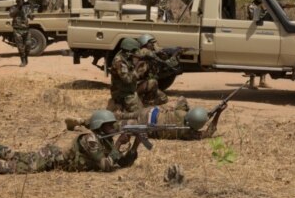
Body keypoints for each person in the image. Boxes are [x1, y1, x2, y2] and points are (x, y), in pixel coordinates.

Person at [0, 110, 141, 178]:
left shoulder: (104, 141)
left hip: (52, 156)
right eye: (109, 126)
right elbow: (106, 167)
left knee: (15, 155)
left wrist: (134, 146)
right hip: (50, 160)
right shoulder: (89, 139)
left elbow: (119, 163)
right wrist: (119, 145)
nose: (113, 128)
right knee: (11, 167)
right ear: (99, 126)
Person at [65, 96, 225, 141]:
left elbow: (182, 100)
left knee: (115, 117)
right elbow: (209, 132)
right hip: (145, 125)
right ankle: (83, 124)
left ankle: (83, 121)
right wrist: (216, 114)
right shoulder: (187, 133)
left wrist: (207, 112)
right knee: (114, 127)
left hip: (148, 112)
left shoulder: (180, 113)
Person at [108, 38, 143, 113]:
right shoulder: (119, 62)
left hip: (127, 91)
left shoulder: (126, 58)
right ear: (128, 51)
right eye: (134, 51)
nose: (135, 52)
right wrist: (137, 66)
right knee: (140, 114)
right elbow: (127, 79)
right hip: (122, 94)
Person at [134, 34, 170, 106]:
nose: (153, 45)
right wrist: (158, 54)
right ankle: (144, 103)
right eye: (151, 43)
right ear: (145, 43)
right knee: (153, 82)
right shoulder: (142, 51)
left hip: (145, 84)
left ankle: (147, 103)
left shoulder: (149, 58)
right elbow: (147, 53)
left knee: (164, 98)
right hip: (136, 86)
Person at [10, 0, 34, 67]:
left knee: (28, 45)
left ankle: (26, 57)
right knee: (20, 47)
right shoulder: (13, 8)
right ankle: (23, 60)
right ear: (16, 2)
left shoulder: (26, 8)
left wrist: (32, 16)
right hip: (17, 30)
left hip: (26, 29)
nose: (20, 3)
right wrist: (18, 8)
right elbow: (11, 15)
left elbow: (30, 16)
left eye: (21, 1)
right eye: (18, 1)